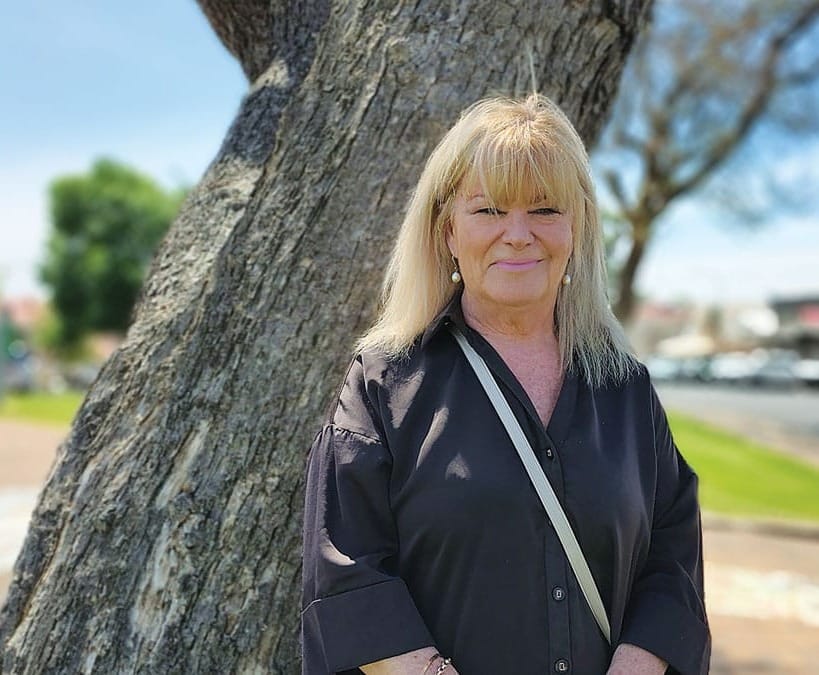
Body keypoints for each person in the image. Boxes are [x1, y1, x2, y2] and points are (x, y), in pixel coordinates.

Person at [301, 94, 710, 675]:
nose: (518, 234)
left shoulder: (627, 390)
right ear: (448, 232)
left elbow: (673, 559)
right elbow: (344, 573)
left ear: (577, 229)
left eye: (544, 209)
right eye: (490, 210)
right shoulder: (383, 385)